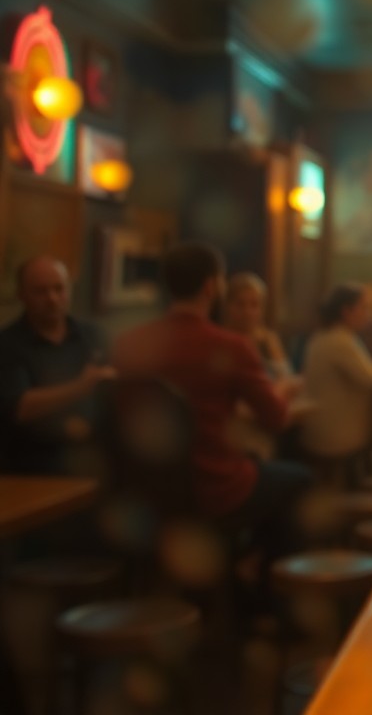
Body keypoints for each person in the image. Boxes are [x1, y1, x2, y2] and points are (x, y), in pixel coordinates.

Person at [114, 244, 310, 592]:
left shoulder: (130, 344)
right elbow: (277, 419)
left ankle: (232, 570)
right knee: (302, 481)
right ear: (211, 287)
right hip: (215, 488)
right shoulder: (229, 347)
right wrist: (283, 390)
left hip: (146, 494)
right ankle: (263, 592)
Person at [0, 257, 114, 475]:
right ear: (21, 295)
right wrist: (80, 387)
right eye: (40, 291)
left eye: (59, 289)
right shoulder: (7, 344)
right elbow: (20, 407)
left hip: (91, 460)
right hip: (34, 469)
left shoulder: (91, 335)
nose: (52, 298)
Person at [299, 283, 372, 461]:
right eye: (364, 308)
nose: (369, 314)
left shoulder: (322, 337)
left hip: (316, 431)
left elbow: (371, 376)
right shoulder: (340, 341)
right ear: (346, 311)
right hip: (334, 436)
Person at [222, 273, 293, 381]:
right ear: (228, 306)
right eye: (240, 304)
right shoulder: (221, 341)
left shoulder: (268, 341)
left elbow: (287, 378)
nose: (247, 312)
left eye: (254, 304)